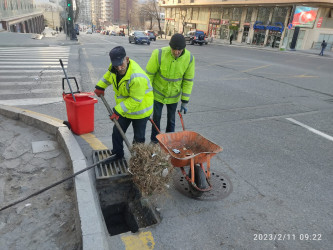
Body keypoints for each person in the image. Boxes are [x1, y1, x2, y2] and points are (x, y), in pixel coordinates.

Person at [94, 46, 154, 159]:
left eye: (121, 64)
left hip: (140, 110)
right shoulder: (114, 68)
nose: (119, 67)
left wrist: (118, 110)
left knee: (139, 138)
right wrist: (100, 86)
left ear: (127, 59)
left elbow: (135, 100)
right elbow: (108, 77)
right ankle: (118, 154)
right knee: (117, 131)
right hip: (126, 109)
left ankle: (138, 160)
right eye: (116, 65)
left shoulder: (137, 77)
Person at [146, 33, 195, 143]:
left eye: (180, 50)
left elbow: (188, 81)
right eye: (174, 49)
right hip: (158, 94)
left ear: (183, 48)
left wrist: (185, 101)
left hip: (173, 96)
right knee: (156, 118)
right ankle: (155, 141)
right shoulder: (159, 54)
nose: (177, 52)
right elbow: (149, 75)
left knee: (171, 120)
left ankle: (169, 142)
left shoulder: (189, 59)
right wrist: (147, 96)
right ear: (170, 46)